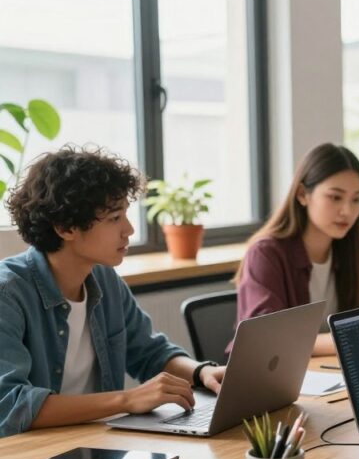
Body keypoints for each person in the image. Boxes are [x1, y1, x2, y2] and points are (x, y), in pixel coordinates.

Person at [0, 147, 226, 438]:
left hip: (95, 445)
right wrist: (127, 400)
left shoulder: (103, 278)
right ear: (65, 227)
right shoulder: (8, 294)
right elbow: (10, 405)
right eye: (114, 218)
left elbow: (150, 352)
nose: (129, 229)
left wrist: (201, 372)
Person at [234, 143, 359, 357]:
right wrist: (351, 339)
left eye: (356, 199)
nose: (347, 211)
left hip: (333, 373)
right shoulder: (265, 254)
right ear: (302, 195)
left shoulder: (357, 252)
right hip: (274, 380)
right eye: (335, 197)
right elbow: (267, 339)